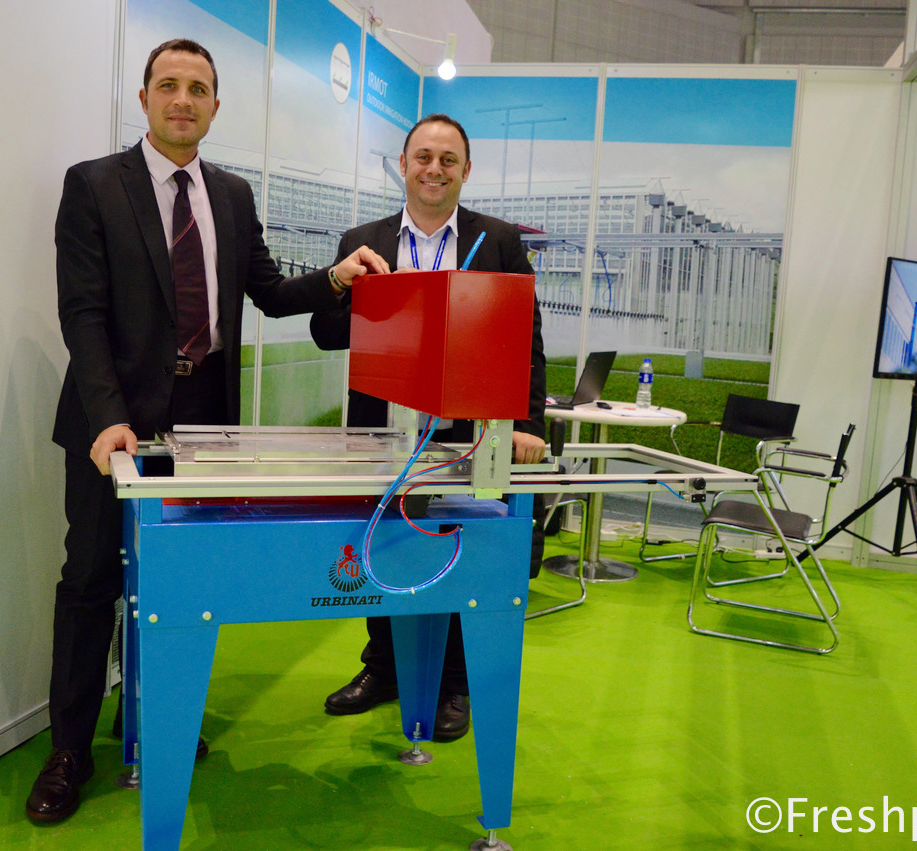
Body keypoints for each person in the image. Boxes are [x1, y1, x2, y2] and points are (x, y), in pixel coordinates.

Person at [28, 38, 389, 824]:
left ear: (216, 106)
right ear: (145, 99)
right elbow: (82, 312)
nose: (182, 99)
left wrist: (336, 277)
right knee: (91, 580)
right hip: (111, 424)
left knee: (178, 583)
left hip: (203, 425)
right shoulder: (93, 185)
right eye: (168, 85)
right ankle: (68, 751)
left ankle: (156, 718)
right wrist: (108, 416)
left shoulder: (230, 193)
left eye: (197, 88)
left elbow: (268, 291)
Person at [309, 114, 546, 742]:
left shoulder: (498, 240)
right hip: (381, 427)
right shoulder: (363, 241)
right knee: (382, 543)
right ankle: (383, 668)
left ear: (466, 170)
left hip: (467, 429)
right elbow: (326, 335)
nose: (434, 169)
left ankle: (453, 682)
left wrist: (526, 421)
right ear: (404, 165)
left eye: (447, 159)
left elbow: (526, 338)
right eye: (422, 157)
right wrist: (349, 290)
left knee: (458, 549)